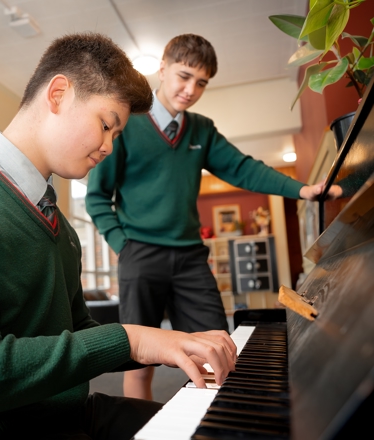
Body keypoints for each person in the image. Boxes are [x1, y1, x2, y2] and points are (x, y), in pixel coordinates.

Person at [0, 33, 238, 440]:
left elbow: (76, 336)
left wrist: (171, 342)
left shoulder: (61, 229)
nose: (110, 147)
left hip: (68, 415)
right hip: (0, 430)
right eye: (106, 125)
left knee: (215, 432)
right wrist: (130, 338)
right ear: (58, 94)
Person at [85, 33, 342, 401]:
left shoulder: (201, 130)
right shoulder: (127, 124)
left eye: (201, 82)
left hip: (190, 258)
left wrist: (302, 190)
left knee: (217, 348)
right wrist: (122, 246)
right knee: (140, 362)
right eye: (184, 76)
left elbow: (242, 168)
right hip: (140, 256)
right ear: (162, 68)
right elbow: (96, 198)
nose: (190, 89)